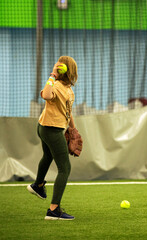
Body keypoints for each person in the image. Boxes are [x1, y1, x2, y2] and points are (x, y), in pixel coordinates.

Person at [27, 56, 78, 220]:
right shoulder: (55, 85)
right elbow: (47, 95)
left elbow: (67, 111)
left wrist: (73, 129)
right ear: (71, 71)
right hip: (51, 130)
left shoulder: (68, 88)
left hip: (47, 127)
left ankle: (38, 185)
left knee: (48, 156)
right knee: (65, 168)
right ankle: (53, 210)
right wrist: (52, 75)